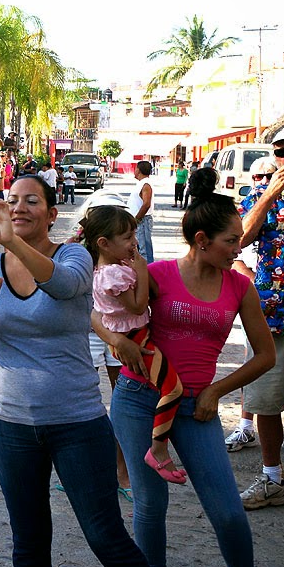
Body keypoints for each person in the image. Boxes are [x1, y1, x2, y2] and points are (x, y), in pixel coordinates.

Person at [0, 175, 154, 567]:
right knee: (29, 540)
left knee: (105, 534)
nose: (19, 207)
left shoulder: (76, 256)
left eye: (32, 201)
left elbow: (63, 285)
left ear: (52, 214)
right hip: (9, 426)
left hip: (77, 422)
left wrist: (11, 243)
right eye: (14, 200)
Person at [95, 167, 275, 567]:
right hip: (138, 399)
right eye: (231, 240)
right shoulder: (157, 275)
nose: (238, 246)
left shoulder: (239, 287)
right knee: (150, 504)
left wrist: (217, 390)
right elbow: (97, 308)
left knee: (228, 511)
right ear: (201, 240)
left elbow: (265, 355)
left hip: (197, 407)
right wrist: (115, 340)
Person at [80, 205, 185, 484]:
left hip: (131, 335)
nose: (134, 243)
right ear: (104, 243)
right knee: (173, 389)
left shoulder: (111, 267)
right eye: (127, 237)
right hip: (134, 336)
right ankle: (158, 449)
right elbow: (139, 306)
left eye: (134, 235)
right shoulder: (113, 274)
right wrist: (140, 266)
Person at [237, 125, 284, 508]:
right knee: (264, 403)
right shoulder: (260, 197)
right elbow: (241, 237)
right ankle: (272, 480)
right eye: (281, 153)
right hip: (271, 320)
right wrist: (269, 194)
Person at [129, 160, 155, 264]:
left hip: (142, 220)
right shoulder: (141, 184)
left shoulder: (146, 185)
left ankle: (148, 272)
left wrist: (137, 219)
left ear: (139, 170)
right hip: (140, 220)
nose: (134, 171)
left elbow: (146, 204)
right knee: (140, 248)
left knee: (144, 249)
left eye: (136, 168)